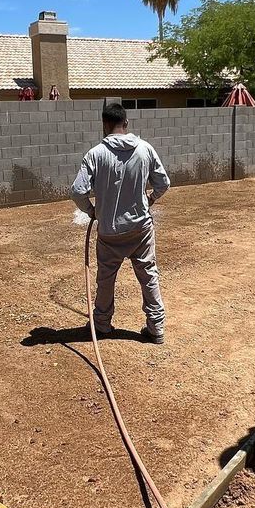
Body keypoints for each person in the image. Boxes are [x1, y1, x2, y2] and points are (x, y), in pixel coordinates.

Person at [71, 103, 171, 343]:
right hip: (140, 230)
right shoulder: (145, 149)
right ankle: (156, 328)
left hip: (110, 233)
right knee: (148, 275)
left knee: (106, 279)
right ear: (125, 124)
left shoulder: (95, 154)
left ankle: (102, 324)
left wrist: (92, 211)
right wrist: (151, 199)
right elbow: (163, 183)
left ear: (105, 125)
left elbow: (77, 190)